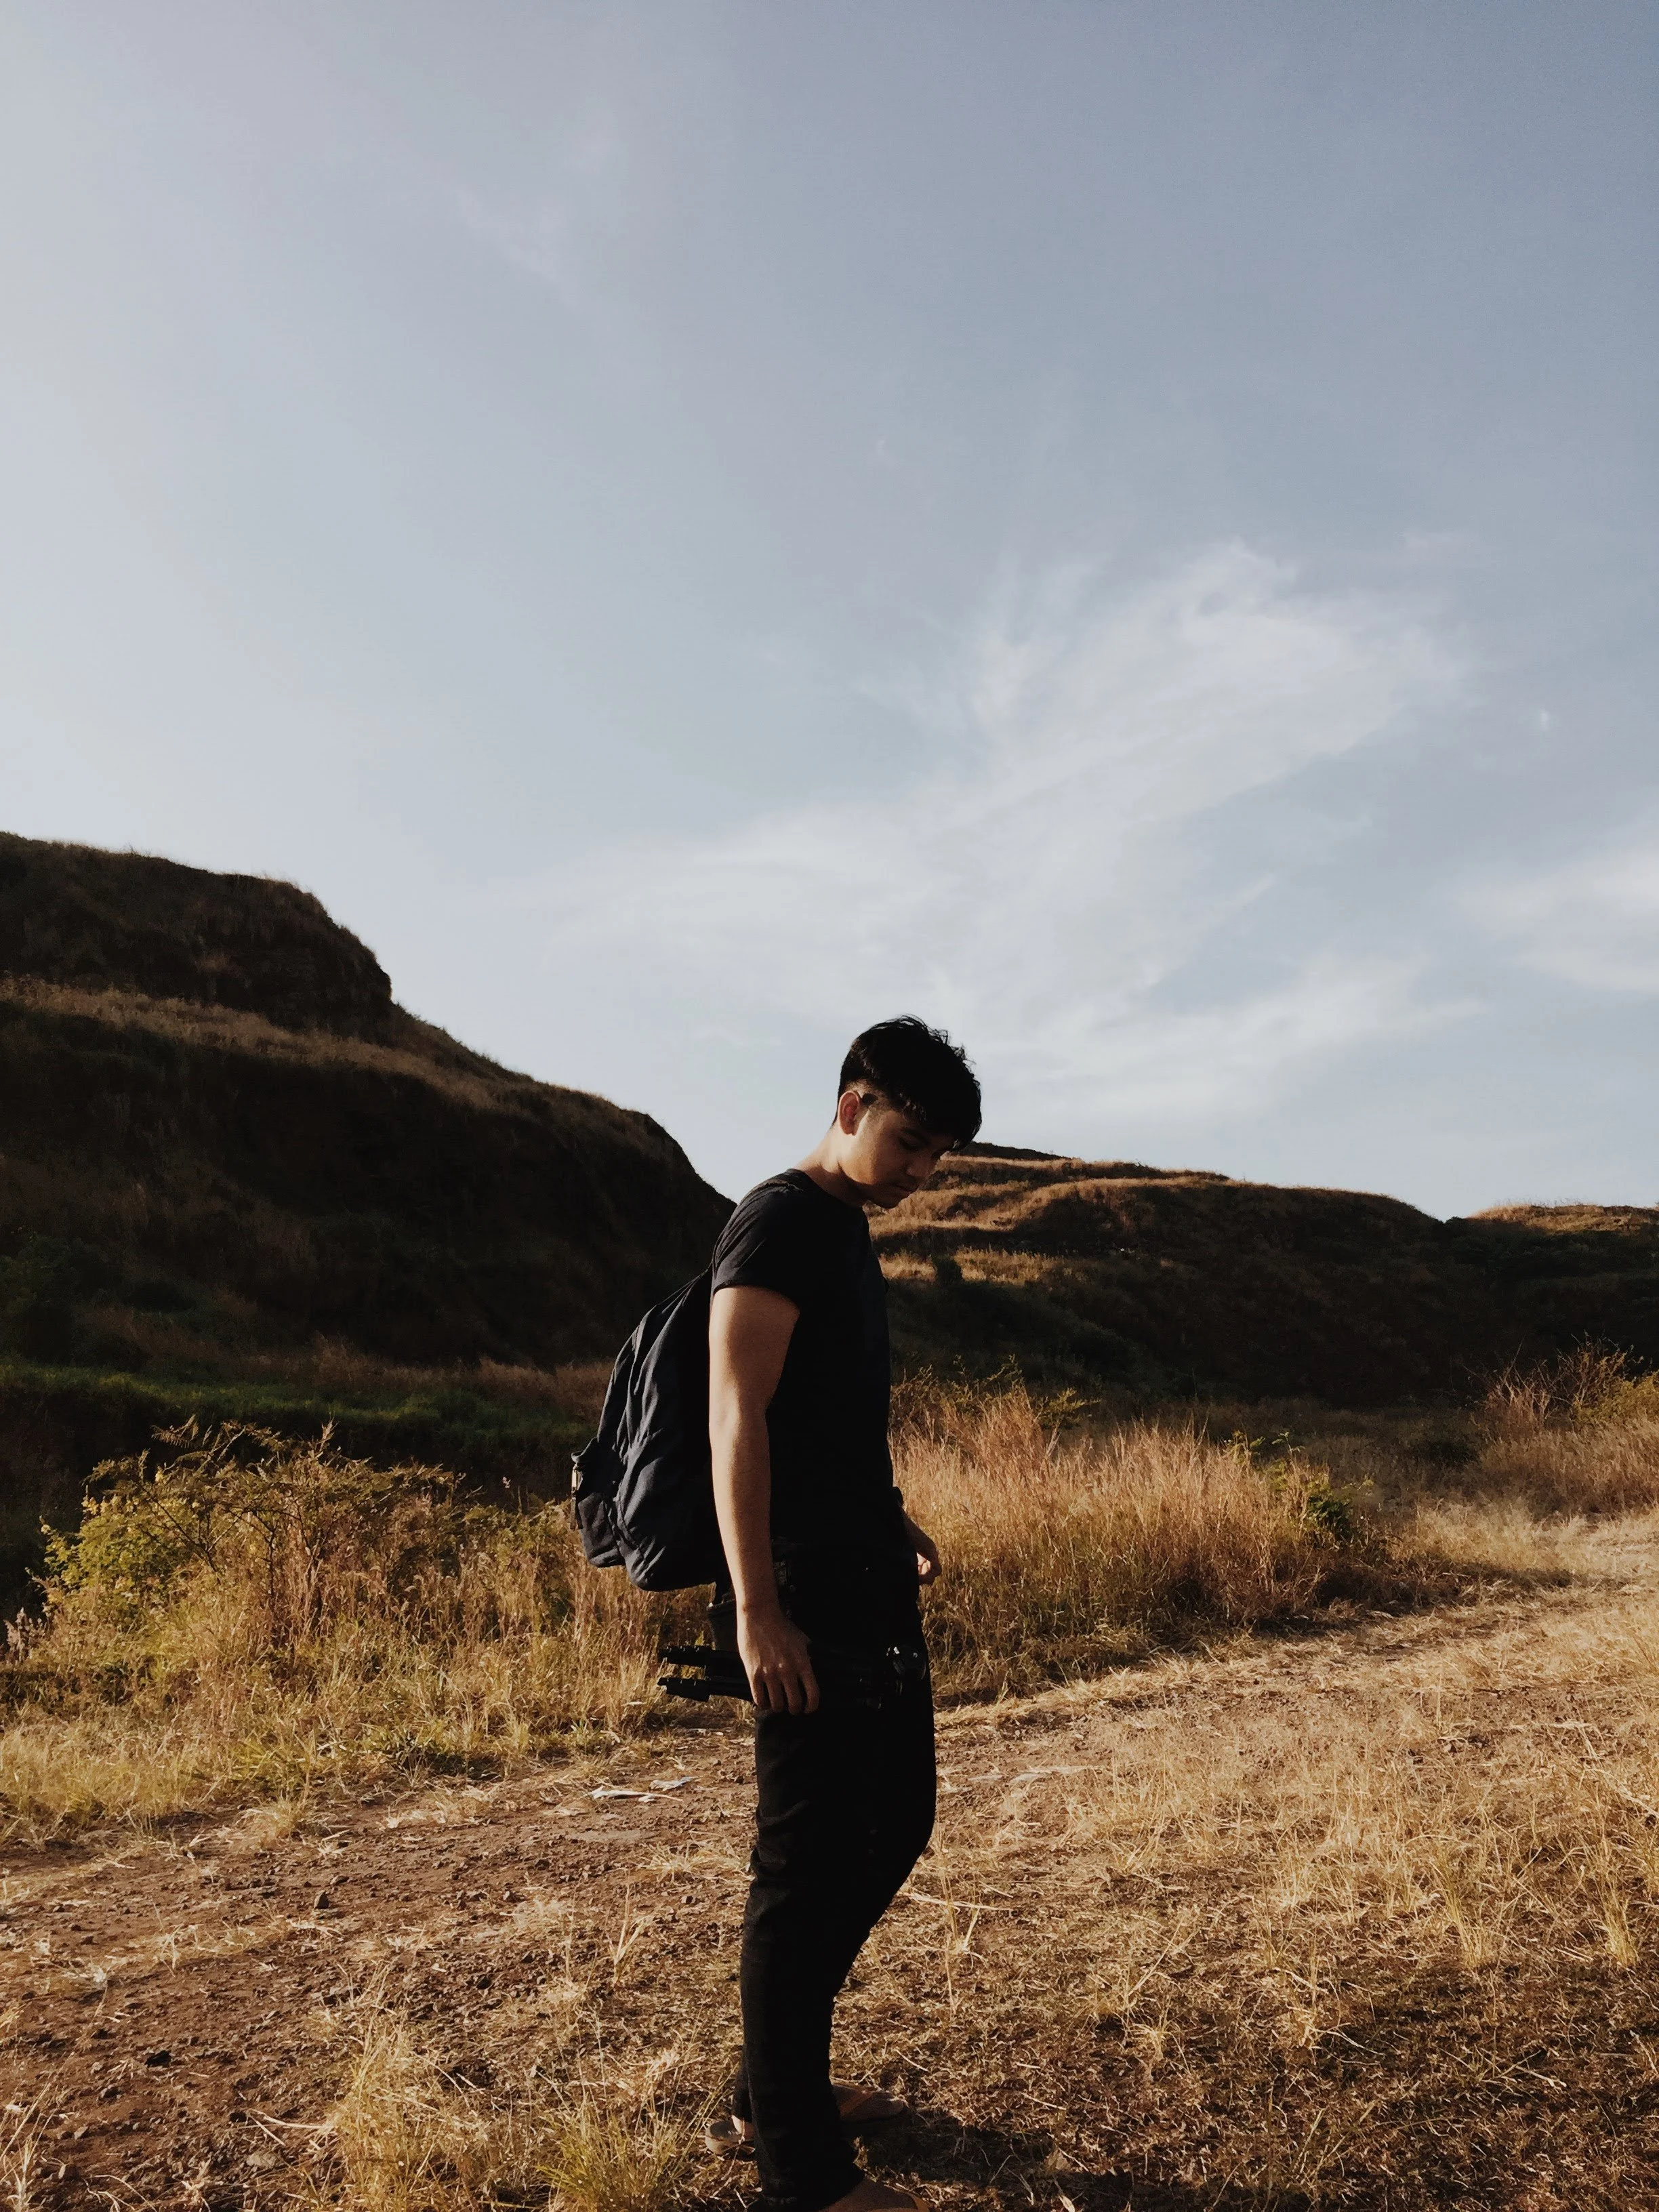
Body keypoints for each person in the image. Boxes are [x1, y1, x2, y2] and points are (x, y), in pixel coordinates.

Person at [705, 1016, 983, 2212]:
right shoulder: (779, 1221)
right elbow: (738, 1416)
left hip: (863, 1567)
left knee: (896, 1825)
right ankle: (803, 2176)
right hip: (803, 1591)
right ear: (852, 1100)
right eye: (912, 1142)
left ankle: (772, 2091)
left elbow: (830, 1421)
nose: (922, 1172)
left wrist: (896, 1513)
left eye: (940, 1156)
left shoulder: (846, 1236)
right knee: (805, 1864)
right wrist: (759, 1610)